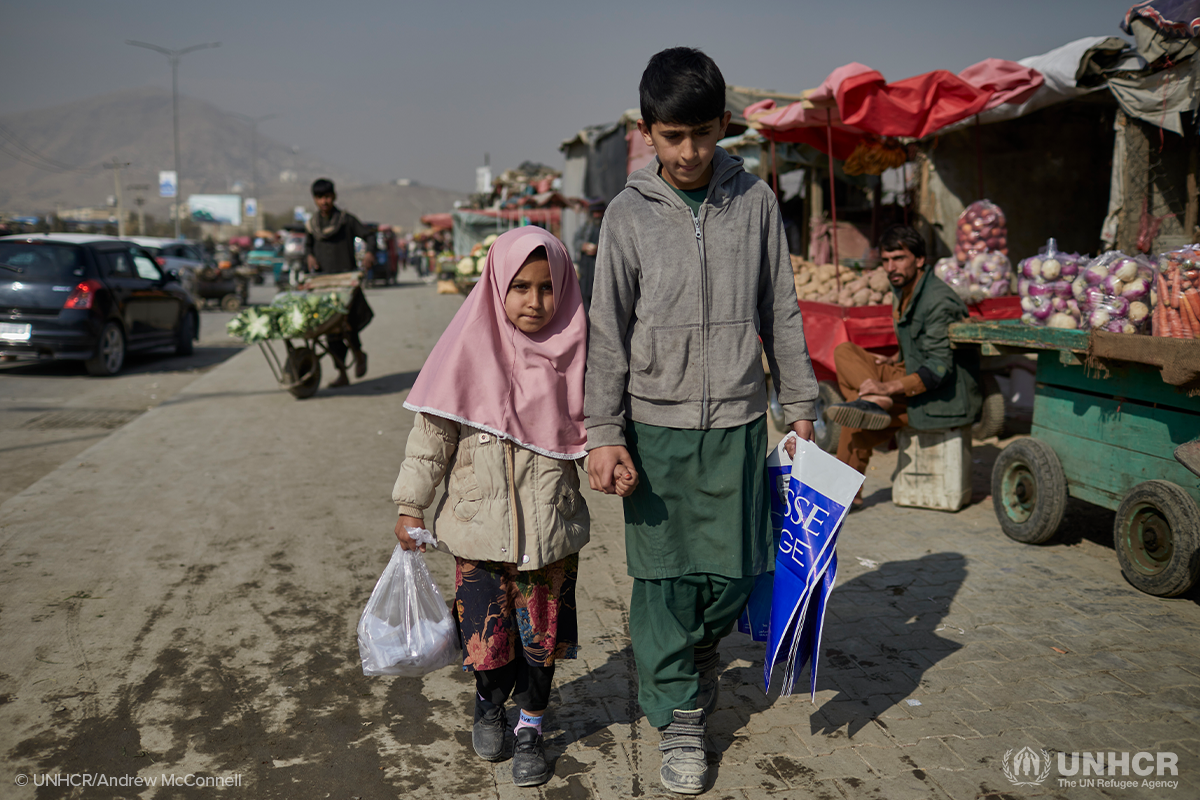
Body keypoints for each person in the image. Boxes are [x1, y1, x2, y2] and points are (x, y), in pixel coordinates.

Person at [584, 47, 818, 795]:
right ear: (648, 131)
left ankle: (695, 654)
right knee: (662, 582)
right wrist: (604, 432)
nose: (689, 153)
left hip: (742, 422)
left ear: (724, 126)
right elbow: (607, 331)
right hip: (654, 426)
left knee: (734, 570)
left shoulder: (753, 203)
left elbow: (779, 307)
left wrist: (802, 404)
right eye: (673, 136)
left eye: (703, 134)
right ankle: (680, 718)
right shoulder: (627, 214)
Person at [390, 226, 631, 788]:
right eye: (520, 286)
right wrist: (411, 505)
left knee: (540, 639)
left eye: (548, 288)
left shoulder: (581, 353)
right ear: (496, 284)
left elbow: (605, 428)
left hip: (551, 531)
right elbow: (431, 441)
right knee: (486, 637)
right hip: (477, 531)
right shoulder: (464, 350)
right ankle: (488, 706)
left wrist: (617, 461)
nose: (535, 302)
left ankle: (530, 725)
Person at [824, 224, 982, 507]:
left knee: (854, 421)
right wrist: (895, 358)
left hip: (937, 394)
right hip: (909, 373)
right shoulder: (905, 286)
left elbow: (938, 368)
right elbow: (919, 342)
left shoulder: (938, 302)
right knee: (845, 352)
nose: (891, 267)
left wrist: (888, 385)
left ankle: (844, 498)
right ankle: (871, 399)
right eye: (886, 260)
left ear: (919, 260)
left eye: (899, 258)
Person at [305, 178, 376, 387]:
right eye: (319, 197)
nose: (324, 201)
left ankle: (359, 353)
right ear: (314, 199)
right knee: (329, 332)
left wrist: (370, 253)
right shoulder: (312, 225)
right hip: (323, 284)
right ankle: (342, 373)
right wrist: (309, 256)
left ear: (334, 196)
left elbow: (369, 237)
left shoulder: (346, 220)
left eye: (327, 197)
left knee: (348, 326)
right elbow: (307, 248)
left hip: (346, 284)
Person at [572, 198, 605, 312]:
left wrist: (599, 249)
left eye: (599, 212)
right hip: (586, 268)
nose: (596, 215)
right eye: (594, 213)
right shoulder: (586, 226)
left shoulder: (607, 226)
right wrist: (584, 246)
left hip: (601, 269)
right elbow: (576, 241)